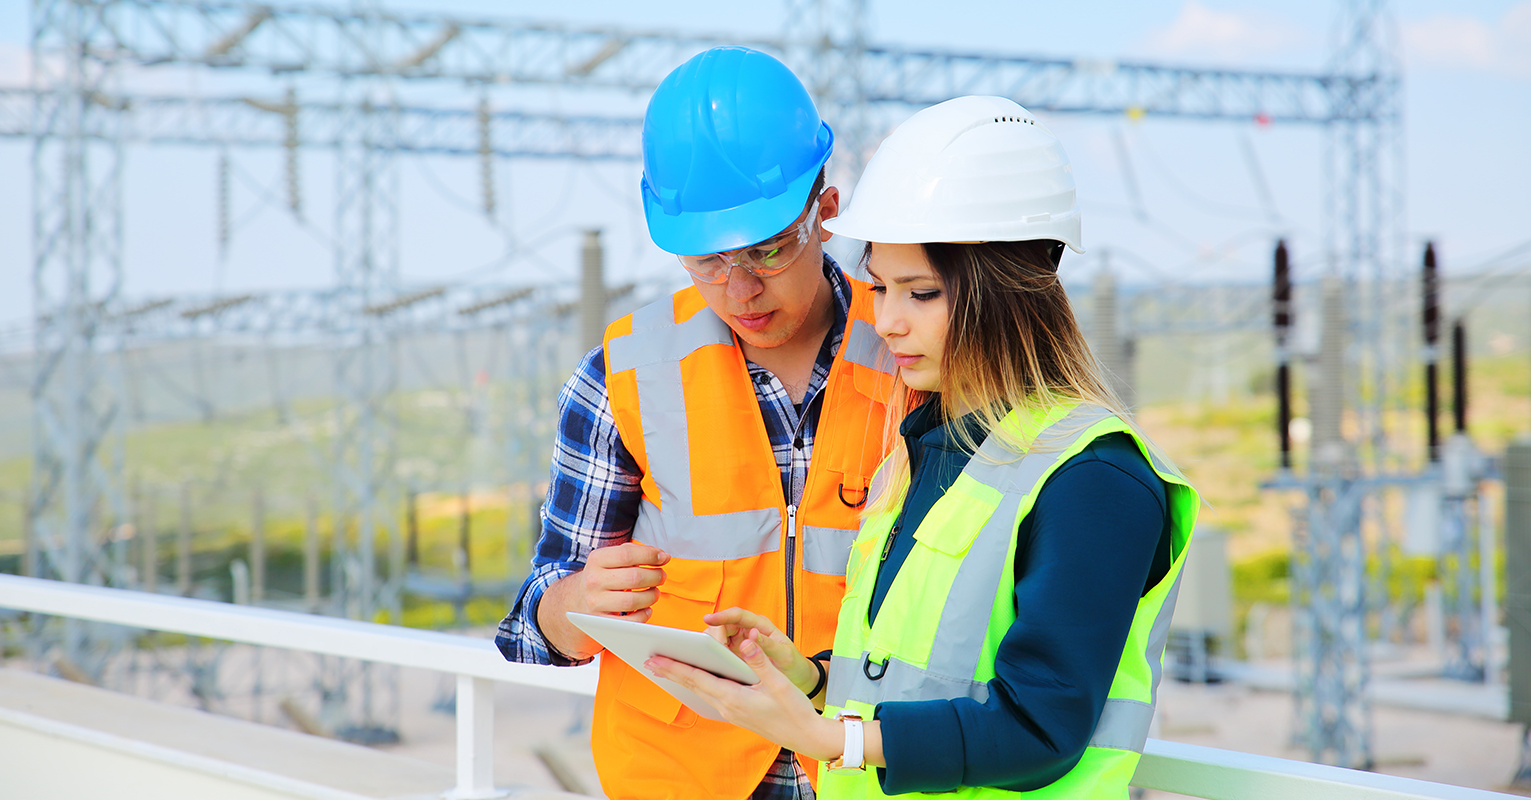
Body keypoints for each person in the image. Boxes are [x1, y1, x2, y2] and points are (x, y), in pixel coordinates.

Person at [646, 95, 1200, 799]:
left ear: (1007, 291)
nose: (887, 322)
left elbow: (1042, 727)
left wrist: (829, 739)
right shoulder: (923, 451)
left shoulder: (1093, 477)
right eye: (880, 288)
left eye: (922, 293)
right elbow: (913, 674)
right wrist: (810, 677)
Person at [494, 46, 895, 800]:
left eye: (769, 250)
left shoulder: (911, 351)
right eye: (705, 260)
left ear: (827, 211)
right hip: (683, 779)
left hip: (867, 764)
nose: (739, 288)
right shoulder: (620, 377)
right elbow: (534, 621)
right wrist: (569, 606)